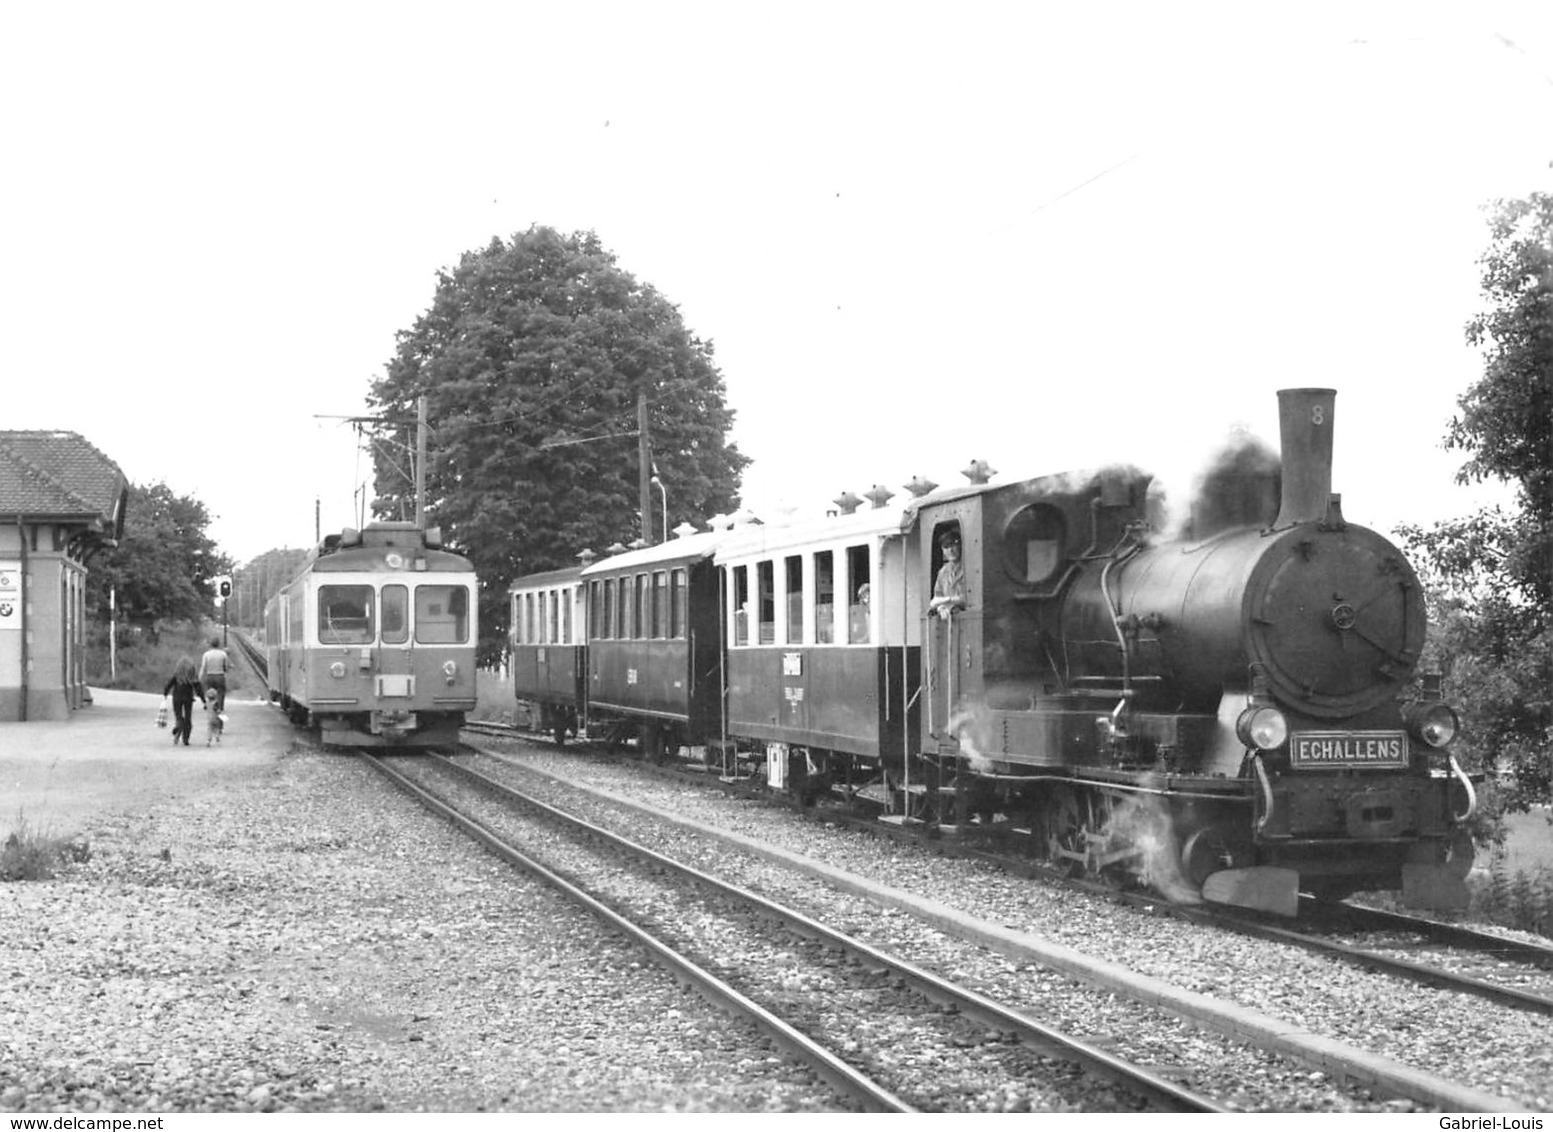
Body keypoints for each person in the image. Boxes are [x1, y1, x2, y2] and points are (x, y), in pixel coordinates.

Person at [162, 657, 203, 746]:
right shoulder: (192, 678)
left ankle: (179, 725)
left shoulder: (176, 676)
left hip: (177, 698)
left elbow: (168, 684)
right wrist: (204, 700)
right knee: (188, 718)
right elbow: (198, 688)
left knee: (178, 716)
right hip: (188, 698)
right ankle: (186, 738)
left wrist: (165, 693)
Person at [929, 530, 966, 619]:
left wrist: (947, 600)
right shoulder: (942, 573)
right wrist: (941, 608)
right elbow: (937, 598)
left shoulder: (970, 567)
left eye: (953, 545)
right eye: (946, 547)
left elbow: (971, 599)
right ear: (943, 551)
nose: (951, 550)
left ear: (960, 546)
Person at [199, 637, 229, 714]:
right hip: (220, 675)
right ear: (218, 644)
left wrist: (199, 677)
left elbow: (203, 667)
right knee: (221, 692)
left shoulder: (206, 654)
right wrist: (225, 671)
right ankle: (220, 708)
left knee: (210, 691)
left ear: (211, 645)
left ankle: (210, 706)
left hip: (210, 675)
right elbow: (226, 666)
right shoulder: (223, 654)